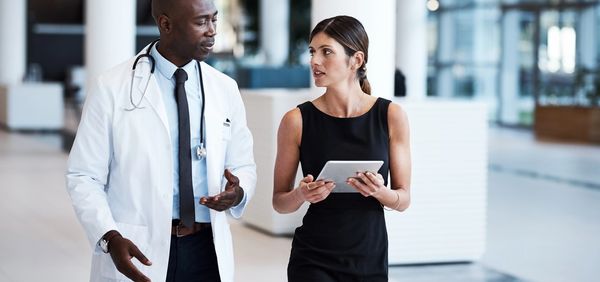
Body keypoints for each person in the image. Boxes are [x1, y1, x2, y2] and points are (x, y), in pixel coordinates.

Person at [66, 0, 256, 281]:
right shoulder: (112, 87)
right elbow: (83, 176)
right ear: (166, 24)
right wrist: (109, 236)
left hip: (206, 249)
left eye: (214, 19)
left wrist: (237, 193)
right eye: (201, 22)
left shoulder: (224, 88)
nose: (213, 31)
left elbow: (243, 165)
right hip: (139, 247)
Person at [272, 15, 411, 281]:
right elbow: (279, 202)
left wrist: (381, 192)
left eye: (326, 52)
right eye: (312, 51)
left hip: (370, 257)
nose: (314, 61)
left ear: (356, 60)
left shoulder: (391, 115)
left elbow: (403, 199)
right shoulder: (296, 120)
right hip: (312, 259)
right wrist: (302, 194)